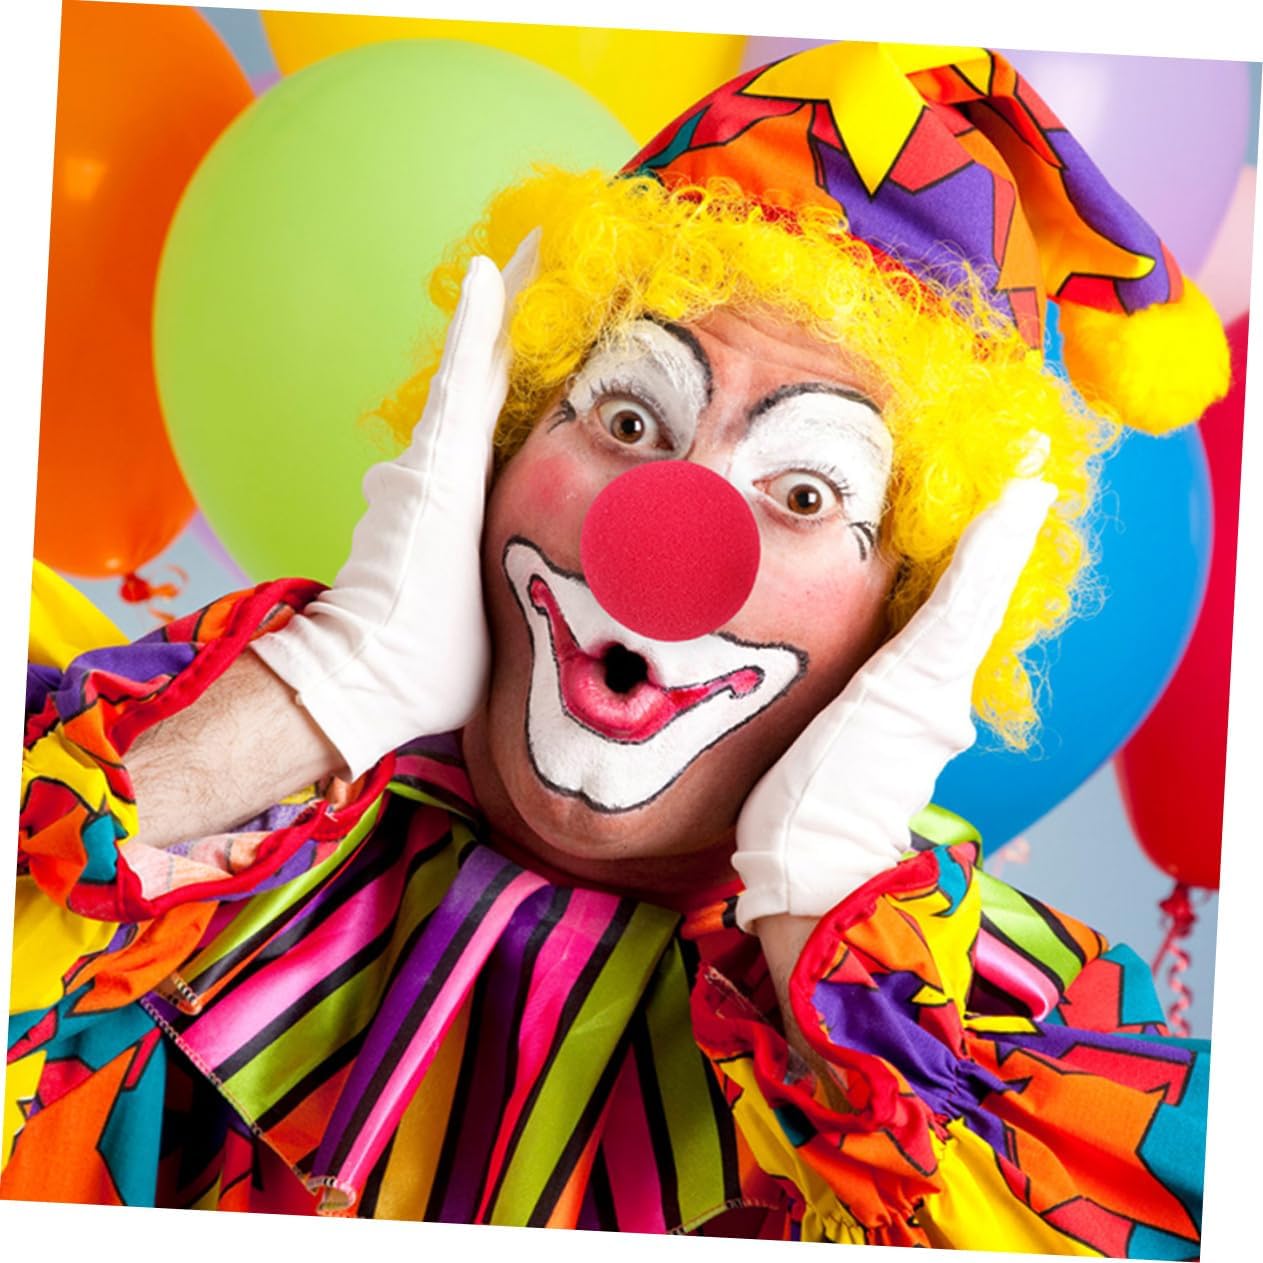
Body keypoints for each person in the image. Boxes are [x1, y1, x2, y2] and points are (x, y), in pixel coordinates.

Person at [7, 42, 1226, 1253]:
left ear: (911, 612)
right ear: (495, 445)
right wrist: (316, 696)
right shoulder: (128, 774)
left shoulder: (1043, 1057)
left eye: (806, 495)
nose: (666, 539)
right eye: (630, 417)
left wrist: (823, 915)